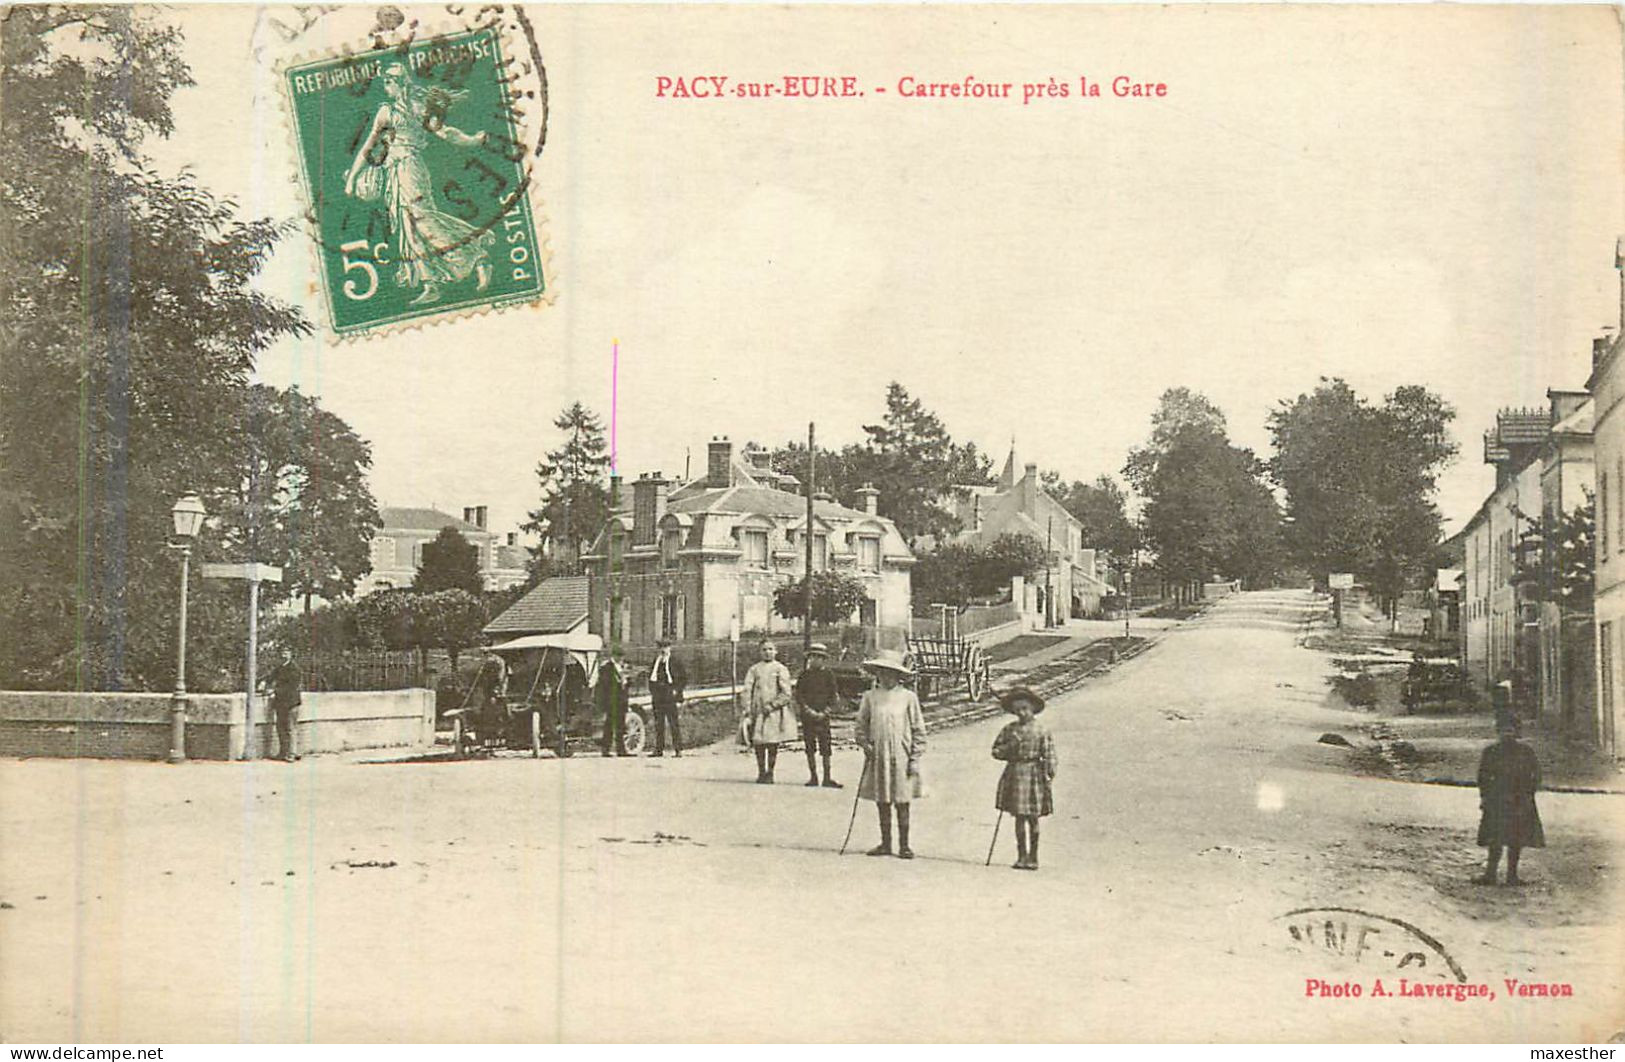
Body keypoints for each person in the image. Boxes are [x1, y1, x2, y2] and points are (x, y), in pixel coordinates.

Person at [343, 63, 495, 306]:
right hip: (393, 173)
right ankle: (431, 283)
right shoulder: (385, 112)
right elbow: (369, 147)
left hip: (411, 169)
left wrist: (473, 141)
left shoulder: (416, 108)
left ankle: (476, 256)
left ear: (402, 83)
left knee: (423, 221)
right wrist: (352, 178)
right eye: (384, 82)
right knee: (408, 229)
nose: (386, 86)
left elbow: (446, 133)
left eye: (390, 81)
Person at [854, 650, 926, 858]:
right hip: (879, 755)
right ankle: (886, 843)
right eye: (882, 673)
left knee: (902, 800)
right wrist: (865, 744)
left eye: (891, 673)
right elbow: (861, 725)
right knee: (882, 798)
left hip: (902, 755)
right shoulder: (870, 697)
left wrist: (915, 757)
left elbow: (918, 730)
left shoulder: (908, 698)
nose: (886, 677)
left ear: (899, 676)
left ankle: (904, 845)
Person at [991, 687, 1058, 870]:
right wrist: (1009, 748)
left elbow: (1050, 753)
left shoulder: (1042, 731)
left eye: (1025, 709)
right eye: (1018, 710)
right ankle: (1021, 856)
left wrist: (1050, 771)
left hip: (1035, 773)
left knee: (1033, 818)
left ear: (1033, 709)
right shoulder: (1009, 730)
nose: (1022, 713)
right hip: (1016, 773)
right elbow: (996, 751)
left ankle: (1033, 856)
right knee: (1019, 817)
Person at [1475, 716, 1544, 885]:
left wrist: (1529, 793)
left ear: (1517, 732)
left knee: (1516, 839)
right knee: (1495, 839)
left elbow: (1536, 775)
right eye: (1503, 731)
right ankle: (1490, 874)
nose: (1507, 734)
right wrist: (1485, 796)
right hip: (1497, 799)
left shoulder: (1526, 752)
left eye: (1511, 730)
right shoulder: (1491, 752)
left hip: (1520, 801)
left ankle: (1512, 875)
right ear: (1498, 733)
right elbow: (1482, 777)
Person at [742, 640, 797, 782]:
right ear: (760, 652)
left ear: (776, 651)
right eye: (764, 649)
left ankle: (770, 772)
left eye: (770, 649)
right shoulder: (754, 669)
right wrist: (747, 708)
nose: (767, 652)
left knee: (772, 742)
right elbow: (747, 689)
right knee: (759, 742)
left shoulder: (780, 669)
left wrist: (773, 705)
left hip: (773, 712)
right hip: (758, 711)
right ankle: (761, 772)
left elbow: (786, 693)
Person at [795, 643, 843, 788]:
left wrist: (826, 711)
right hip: (808, 716)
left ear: (823, 659)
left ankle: (827, 778)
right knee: (809, 746)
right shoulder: (804, 675)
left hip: (824, 717)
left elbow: (833, 695)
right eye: (812, 657)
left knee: (826, 747)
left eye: (818, 657)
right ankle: (813, 777)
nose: (815, 660)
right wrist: (807, 710)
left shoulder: (828, 675)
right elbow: (799, 695)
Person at [647, 639, 688, 757]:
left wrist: (677, 690)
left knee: (673, 722)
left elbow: (683, 678)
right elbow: (651, 676)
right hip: (658, 695)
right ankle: (659, 749)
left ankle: (678, 749)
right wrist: (653, 690)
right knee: (659, 723)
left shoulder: (675, 661)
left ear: (670, 648)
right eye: (660, 647)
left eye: (665, 647)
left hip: (669, 693)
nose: (663, 649)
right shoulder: (656, 661)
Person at [268, 648, 302, 762]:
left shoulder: (294, 669)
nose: (283, 655)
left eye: (286, 653)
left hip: (291, 702)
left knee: (290, 728)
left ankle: (292, 753)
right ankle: (283, 752)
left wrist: (274, 691)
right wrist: (263, 683)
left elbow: (291, 687)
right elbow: (270, 677)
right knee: (280, 728)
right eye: (282, 653)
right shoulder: (279, 668)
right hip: (280, 703)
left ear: (291, 655)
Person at [597, 654, 630, 757]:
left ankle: (621, 750)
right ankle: (605, 749)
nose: (621, 659)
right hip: (611, 701)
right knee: (609, 726)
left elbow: (627, 684)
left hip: (621, 701)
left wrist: (626, 680)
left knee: (620, 726)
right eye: (619, 656)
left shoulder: (621, 668)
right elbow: (605, 684)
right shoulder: (606, 668)